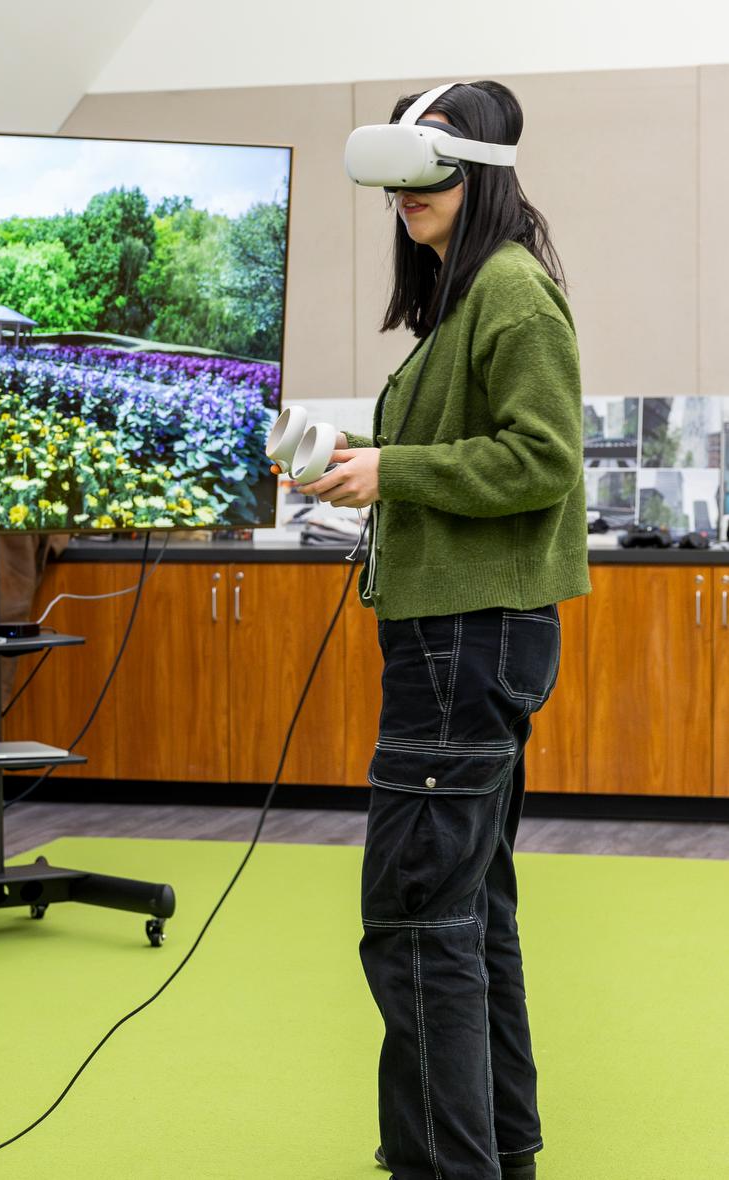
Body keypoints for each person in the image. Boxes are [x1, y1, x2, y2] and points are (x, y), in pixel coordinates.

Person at [299, 81, 590, 1180]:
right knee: (467, 915)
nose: (404, 208)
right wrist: (371, 471)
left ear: (478, 176)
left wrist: (396, 470)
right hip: (456, 636)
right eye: (397, 192)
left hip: (462, 642)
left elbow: (541, 461)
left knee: (415, 923)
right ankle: (499, 1155)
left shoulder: (510, 297)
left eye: (426, 187)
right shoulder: (464, 301)